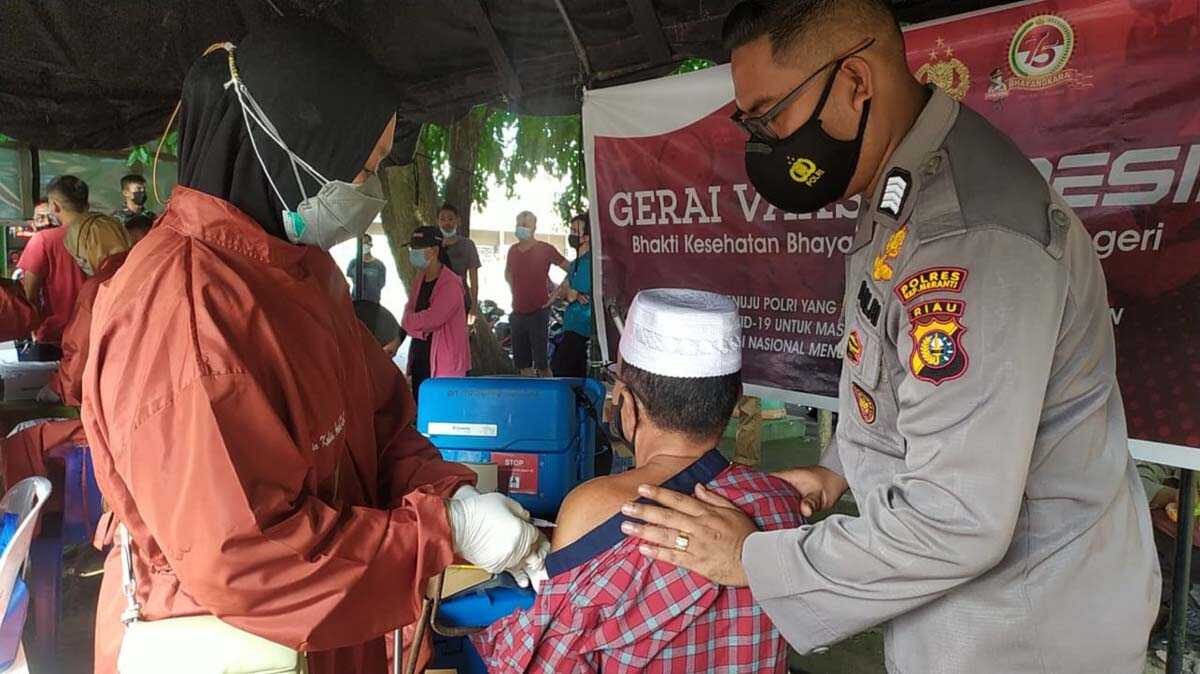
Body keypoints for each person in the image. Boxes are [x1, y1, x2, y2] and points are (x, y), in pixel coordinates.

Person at [623, 2, 1159, 672]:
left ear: (855, 82)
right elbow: (906, 394)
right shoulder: (902, 194)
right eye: (750, 123)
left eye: (770, 116)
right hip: (966, 612)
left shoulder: (967, 238)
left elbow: (955, 517)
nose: (762, 141)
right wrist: (834, 471)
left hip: (1025, 632)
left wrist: (752, 560)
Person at [81, 22, 545, 674]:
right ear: (292, 149)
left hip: (334, 612)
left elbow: (382, 423)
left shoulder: (301, 270)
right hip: (225, 638)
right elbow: (244, 558)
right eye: (363, 164)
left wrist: (449, 496)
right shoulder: (182, 309)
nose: (371, 186)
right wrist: (440, 534)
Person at [471, 289, 801, 672]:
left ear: (626, 403)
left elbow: (550, 659)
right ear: (735, 399)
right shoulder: (780, 503)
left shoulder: (594, 506)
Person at [42, 214, 134, 405]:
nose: (81, 264)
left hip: (113, 394)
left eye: (80, 257)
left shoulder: (98, 286)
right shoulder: (144, 267)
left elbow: (80, 350)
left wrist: (58, 387)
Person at [16, 176, 89, 359]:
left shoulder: (43, 240)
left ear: (54, 207)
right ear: (87, 205)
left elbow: (28, 296)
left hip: (54, 339)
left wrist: (32, 328)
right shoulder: (108, 236)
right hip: (96, 335)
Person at [400, 226, 470, 401]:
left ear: (434, 251)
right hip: (420, 357)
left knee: (441, 412)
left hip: (444, 363)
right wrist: (413, 324)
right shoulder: (420, 280)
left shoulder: (451, 284)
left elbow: (432, 319)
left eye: (417, 249)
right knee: (421, 408)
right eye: (412, 249)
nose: (413, 253)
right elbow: (409, 310)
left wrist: (410, 322)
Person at [505, 211, 567, 376]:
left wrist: (556, 293)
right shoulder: (512, 250)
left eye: (526, 224)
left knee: (542, 364)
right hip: (517, 312)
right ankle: (529, 396)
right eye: (519, 224)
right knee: (522, 364)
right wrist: (513, 289)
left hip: (539, 312)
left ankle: (548, 396)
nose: (521, 227)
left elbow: (571, 269)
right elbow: (508, 273)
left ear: (534, 227)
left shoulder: (545, 249)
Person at [548, 213, 592, 378]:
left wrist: (568, 292)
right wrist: (567, 292)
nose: (572, 234)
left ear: (587, 237)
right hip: (571, 326)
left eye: (576, 231)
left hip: (580, 330)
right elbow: (563, 291)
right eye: (571, 230)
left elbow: (571, 294)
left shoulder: (588, 263)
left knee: (562, 370)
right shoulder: (575, 264)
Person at [437, 203, 482, 318]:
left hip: (461, 301)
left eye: (451, 219)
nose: (447, 223)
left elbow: (474, 280)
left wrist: (474, 307)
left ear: (458, 221)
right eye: (442, 219)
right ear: (438, 222)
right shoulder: (433, 245)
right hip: (437, 302)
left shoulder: (468, 245)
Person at [346, 233, 387, 302]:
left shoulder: (379, 265)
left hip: (373, 303)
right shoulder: (353, 263)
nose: (364, 245)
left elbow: (381, 284)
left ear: (371, 244)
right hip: (356, 302)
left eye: (366, 243)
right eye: (362, 243)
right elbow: (351, 280)